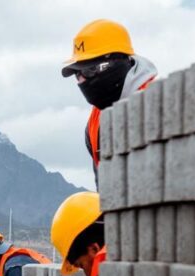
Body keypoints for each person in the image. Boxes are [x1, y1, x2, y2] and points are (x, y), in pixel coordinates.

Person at [61, 19, 157, 186]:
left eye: (90, 70)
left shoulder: (156, 105)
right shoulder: (95, 123)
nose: (83, 80)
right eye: (77, 74)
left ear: (118, 61)